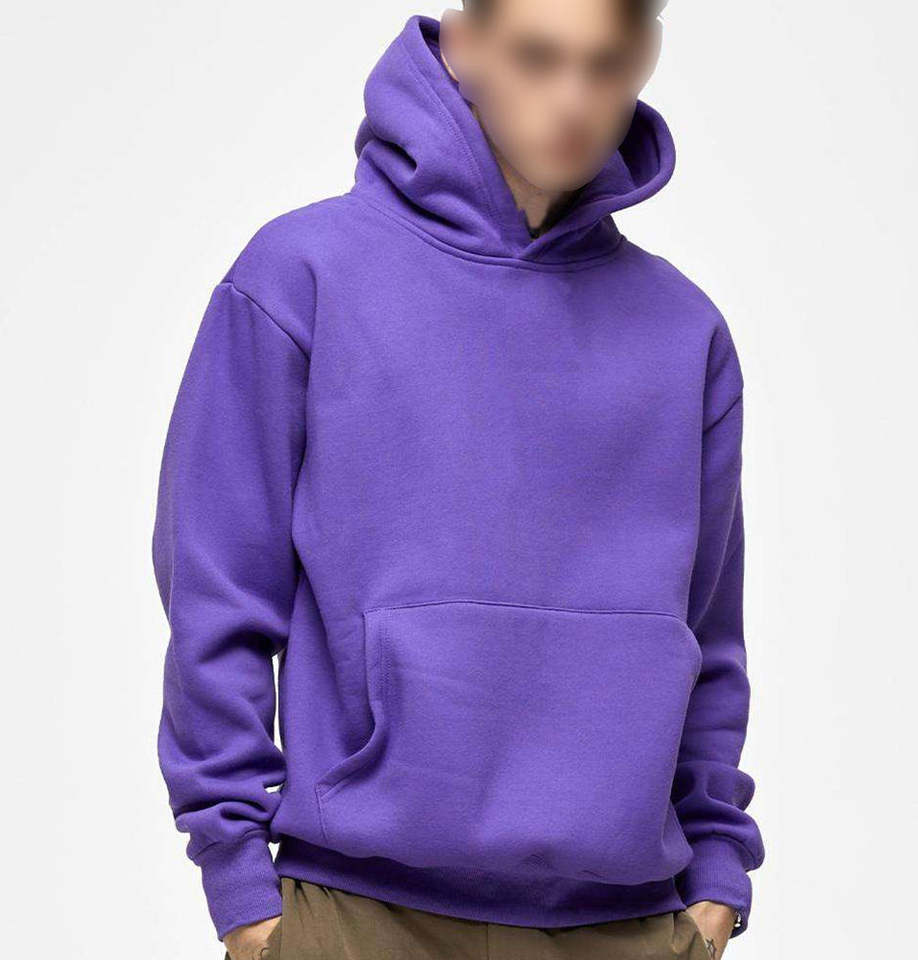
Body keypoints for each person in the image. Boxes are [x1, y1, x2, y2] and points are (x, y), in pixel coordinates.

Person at [151, 2, 765, 957]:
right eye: (539, 58)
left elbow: (709, 632)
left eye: (606, 65)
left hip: (627, 922)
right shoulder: (302, 277)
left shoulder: (683, 332)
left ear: (647, 54)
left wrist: (718, 872)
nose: (574, 99)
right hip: (357, 912)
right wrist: (239, 882)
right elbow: (217, 595)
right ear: (464, 42)